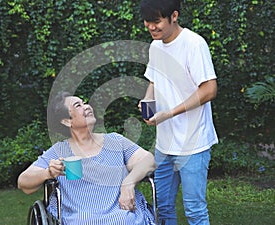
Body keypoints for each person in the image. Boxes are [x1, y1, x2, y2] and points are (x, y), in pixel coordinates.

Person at [18, 91, 156, 225]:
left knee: (124, 220)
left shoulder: (115, 141)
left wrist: (129, 183)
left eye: (84, 103)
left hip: (121, 211)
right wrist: (47, 173)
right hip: (81, 216)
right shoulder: (59, 151)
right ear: (67, 121)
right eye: (78, 105)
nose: (87, 106)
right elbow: (23, 183)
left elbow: (148, 160)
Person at [139, 0, 218, 225]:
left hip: (193, 143)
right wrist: (148, 99)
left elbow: (209, 88)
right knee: (162, 208)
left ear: (174, 16)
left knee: (194, 210)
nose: (151, 27)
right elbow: (154, 79)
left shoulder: (194, 44)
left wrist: (170, 113)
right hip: (164, 144)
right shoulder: (156, 46)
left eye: (156, 21)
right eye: (147, 22)